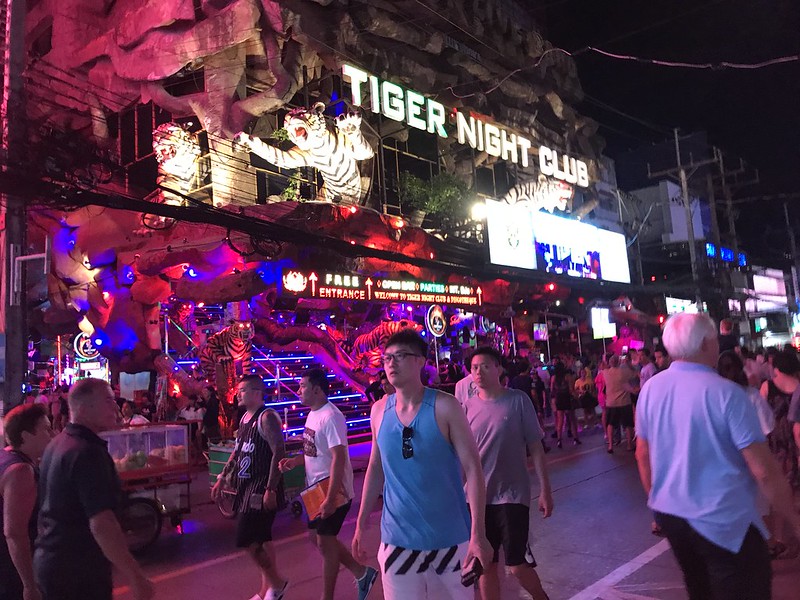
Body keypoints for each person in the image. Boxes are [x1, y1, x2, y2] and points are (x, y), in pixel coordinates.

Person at [635, 313, 800, 600]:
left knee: (700, 588)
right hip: (725, 523)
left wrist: (657, 503)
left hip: (674, 518)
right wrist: (794, 520)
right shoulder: (728, 394)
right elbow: (764, 470)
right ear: (704, 344)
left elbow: (642, 455)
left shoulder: (650, 389)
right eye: (714, 340)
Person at [352, 329, 491, 600]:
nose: (391, 363)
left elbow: (473, 469)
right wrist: (361, 521)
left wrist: (478, 533)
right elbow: (375, 467)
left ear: (420, 361)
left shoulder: (445, 407)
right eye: (387, 358)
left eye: (400, 356)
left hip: (450, 541)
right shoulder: (379, 411)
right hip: (397, 543)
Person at [34, 378, 154, 600]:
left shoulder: (57, 443)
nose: (116, 408)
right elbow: (102, 523)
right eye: (108, 401)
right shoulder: (87, 452)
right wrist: (135, 576)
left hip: (51, 564)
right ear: (83, 408)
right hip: (77, 573)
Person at [278, 369, 377, 600]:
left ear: (317, 390)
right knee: (317, 538)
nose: (298, 390)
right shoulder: (313, 414)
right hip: (315, 490)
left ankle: (328, 596)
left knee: (325, 541)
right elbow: (314, 451)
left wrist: (331, 499)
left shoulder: (331, 417)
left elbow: (338, 458)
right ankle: (362, 573)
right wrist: (295, 461)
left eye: (303, 386)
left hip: (334, 490)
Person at [465, 347, 553, 600]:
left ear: (499, 368)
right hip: (477, 500)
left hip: (512, 496)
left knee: (516, 565)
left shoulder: (518, 400)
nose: (479, 372)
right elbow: (461, 456)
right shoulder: (466, 408)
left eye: (485, 366)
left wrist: (545, 490)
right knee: (485, 564)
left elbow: (535, 446)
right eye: (474, 368)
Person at [211, 375, 288, 600]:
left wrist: (271, 488)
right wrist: (222, 478)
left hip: (261, 488)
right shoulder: (245, 418)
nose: (238, 394)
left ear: (256, 392)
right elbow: (238, 452)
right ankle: (267, 591)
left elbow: (278, 452)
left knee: (247, 539)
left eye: (243, 390)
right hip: (246, 487)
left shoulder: (267, 417)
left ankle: (278, 583)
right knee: (263, 538)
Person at [1, 404, 52, 600]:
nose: (52, 435)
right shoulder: (21, 471)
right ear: (26, 435)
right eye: (46, 429)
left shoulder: (5, 456)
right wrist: (29, 585)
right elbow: (14, 533)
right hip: (12, 570)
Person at [602, 355, 636, 453]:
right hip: (624, 401)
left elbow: (603, 366)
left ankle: (610, 445)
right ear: (618, 362)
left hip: (611, 402)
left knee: (610, 424)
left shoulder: (606, 373)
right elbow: (634, 373)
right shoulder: (624, 372)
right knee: (628, 424)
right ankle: (629, 444)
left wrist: (605, 360)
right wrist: (627, 363)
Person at [550, 363, 579, 448]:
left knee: (560, 420)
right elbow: (571, 390)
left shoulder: (554, 378)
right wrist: (576, 396)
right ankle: (575, 438)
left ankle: (559, 440)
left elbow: (552, 390)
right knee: (572, 419)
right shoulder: (567, 377)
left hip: (558, 399)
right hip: (567, 398)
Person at [574, 367, 598, 431]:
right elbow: (576, 390)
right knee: (585, 410)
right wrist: (581, 392)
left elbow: (593, 388)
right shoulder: (577, 381)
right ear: (580, 373)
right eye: (582, 372)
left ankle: (596, 422)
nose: (583, 373)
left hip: (590, 396)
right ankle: (586, 424)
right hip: (583, 397)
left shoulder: (589, 380)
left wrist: (594, 394)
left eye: (584, 372)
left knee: (593, 409)